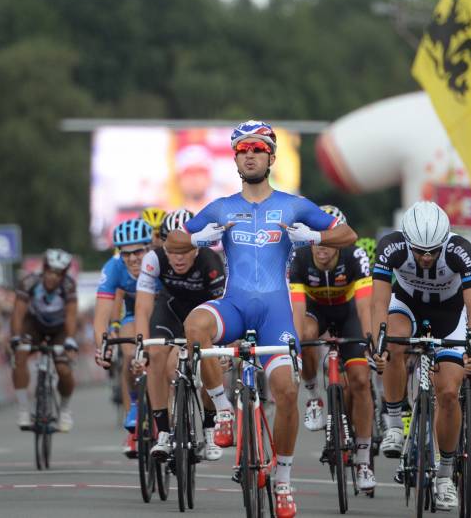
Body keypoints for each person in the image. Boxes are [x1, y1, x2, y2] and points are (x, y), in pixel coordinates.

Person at [165, 120, 356, 518]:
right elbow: (173, 241)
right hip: (233, 305)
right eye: (242, 150)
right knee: (194, 328)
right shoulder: (220, 207)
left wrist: (315, 237)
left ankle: (283, 479)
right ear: (235, 158)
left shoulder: (295, 205)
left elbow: (349, 235)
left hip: (275, 312)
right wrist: (199, 239)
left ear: (270, 155)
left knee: (286, 391)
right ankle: (221, 411)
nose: (249, 155)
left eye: (257, 149)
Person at [370, 201, 471, 510]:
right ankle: (394, 422)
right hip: (408, 305)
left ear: (444, 241)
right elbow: (379, 303)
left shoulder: (460, 251)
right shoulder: (390, 246)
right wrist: (377, 343)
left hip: (450, 314)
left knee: (448, 392)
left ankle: (445, 474)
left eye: (433, 251)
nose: (426, 257)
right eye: (419, 251)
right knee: (392, 341)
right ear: (407, 241)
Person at [288, 205, 376, 491]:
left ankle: (363, 460)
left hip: (348, 313)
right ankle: (314, 395)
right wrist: (296, 348)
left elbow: (365, 308)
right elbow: (298, 313)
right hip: (316, 312)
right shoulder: (299, 259)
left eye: (330, 238)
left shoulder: (355, 256)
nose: (322, 245)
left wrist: (370, 343)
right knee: (306, 333)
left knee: (361, 381)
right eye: (317, 238)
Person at [133, 209, 226, 461]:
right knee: (155, 355)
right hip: (170, 311)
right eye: (173, 251)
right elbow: (142, 308)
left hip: (205, 314)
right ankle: (163, 433)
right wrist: (140, 346)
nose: (178, 258)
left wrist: (225, 347)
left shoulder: (210, 261)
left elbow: (225, 308)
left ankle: (209, 429)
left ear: (197, 247)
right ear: (163, 246)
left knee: (213, 360)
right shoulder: (153, 259)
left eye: (185, 251)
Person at [93, 218, 153, 456]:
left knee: (164, 362)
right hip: (132, 313)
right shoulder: (113, 267)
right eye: (125, 253)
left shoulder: (159, 261)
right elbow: (100, 318)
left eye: (138, 251)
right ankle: (136, 408)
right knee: (130, 354)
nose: (132, 259)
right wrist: (103, 347)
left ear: (149, 248)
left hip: (163, 311)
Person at [11, 249, 78, 432]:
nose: (53, 277)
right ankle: (24, 409)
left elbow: (72, 315)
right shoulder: (29, 282)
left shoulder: (69, 285)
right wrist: (16, 337)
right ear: (44, 269)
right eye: (50, 271)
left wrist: (70, 339)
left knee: (64, 368)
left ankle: (64, 409)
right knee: (20, 355)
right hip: (34, 325)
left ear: (64, 274)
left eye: (58, 273)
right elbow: (18, 312)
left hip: (59, 329)